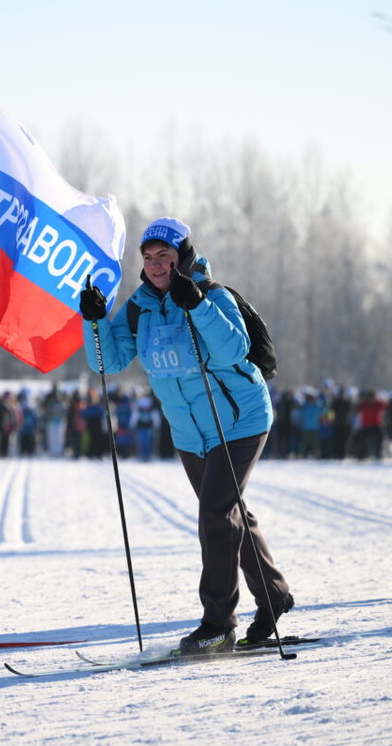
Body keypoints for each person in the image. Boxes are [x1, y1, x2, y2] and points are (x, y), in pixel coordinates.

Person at [79, 217, 292, 655]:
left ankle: (218, 623)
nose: (156, 265)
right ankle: (273, 595)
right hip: (190, 432)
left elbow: (235, 349)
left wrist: (195, 305)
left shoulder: (212, 295)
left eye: (165, 256)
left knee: (216, 516)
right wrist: (95, 319)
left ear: (184, 256)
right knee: (229, 514)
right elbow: (108, 361)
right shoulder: (138, 307)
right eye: (149, 257)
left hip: (239, 419)